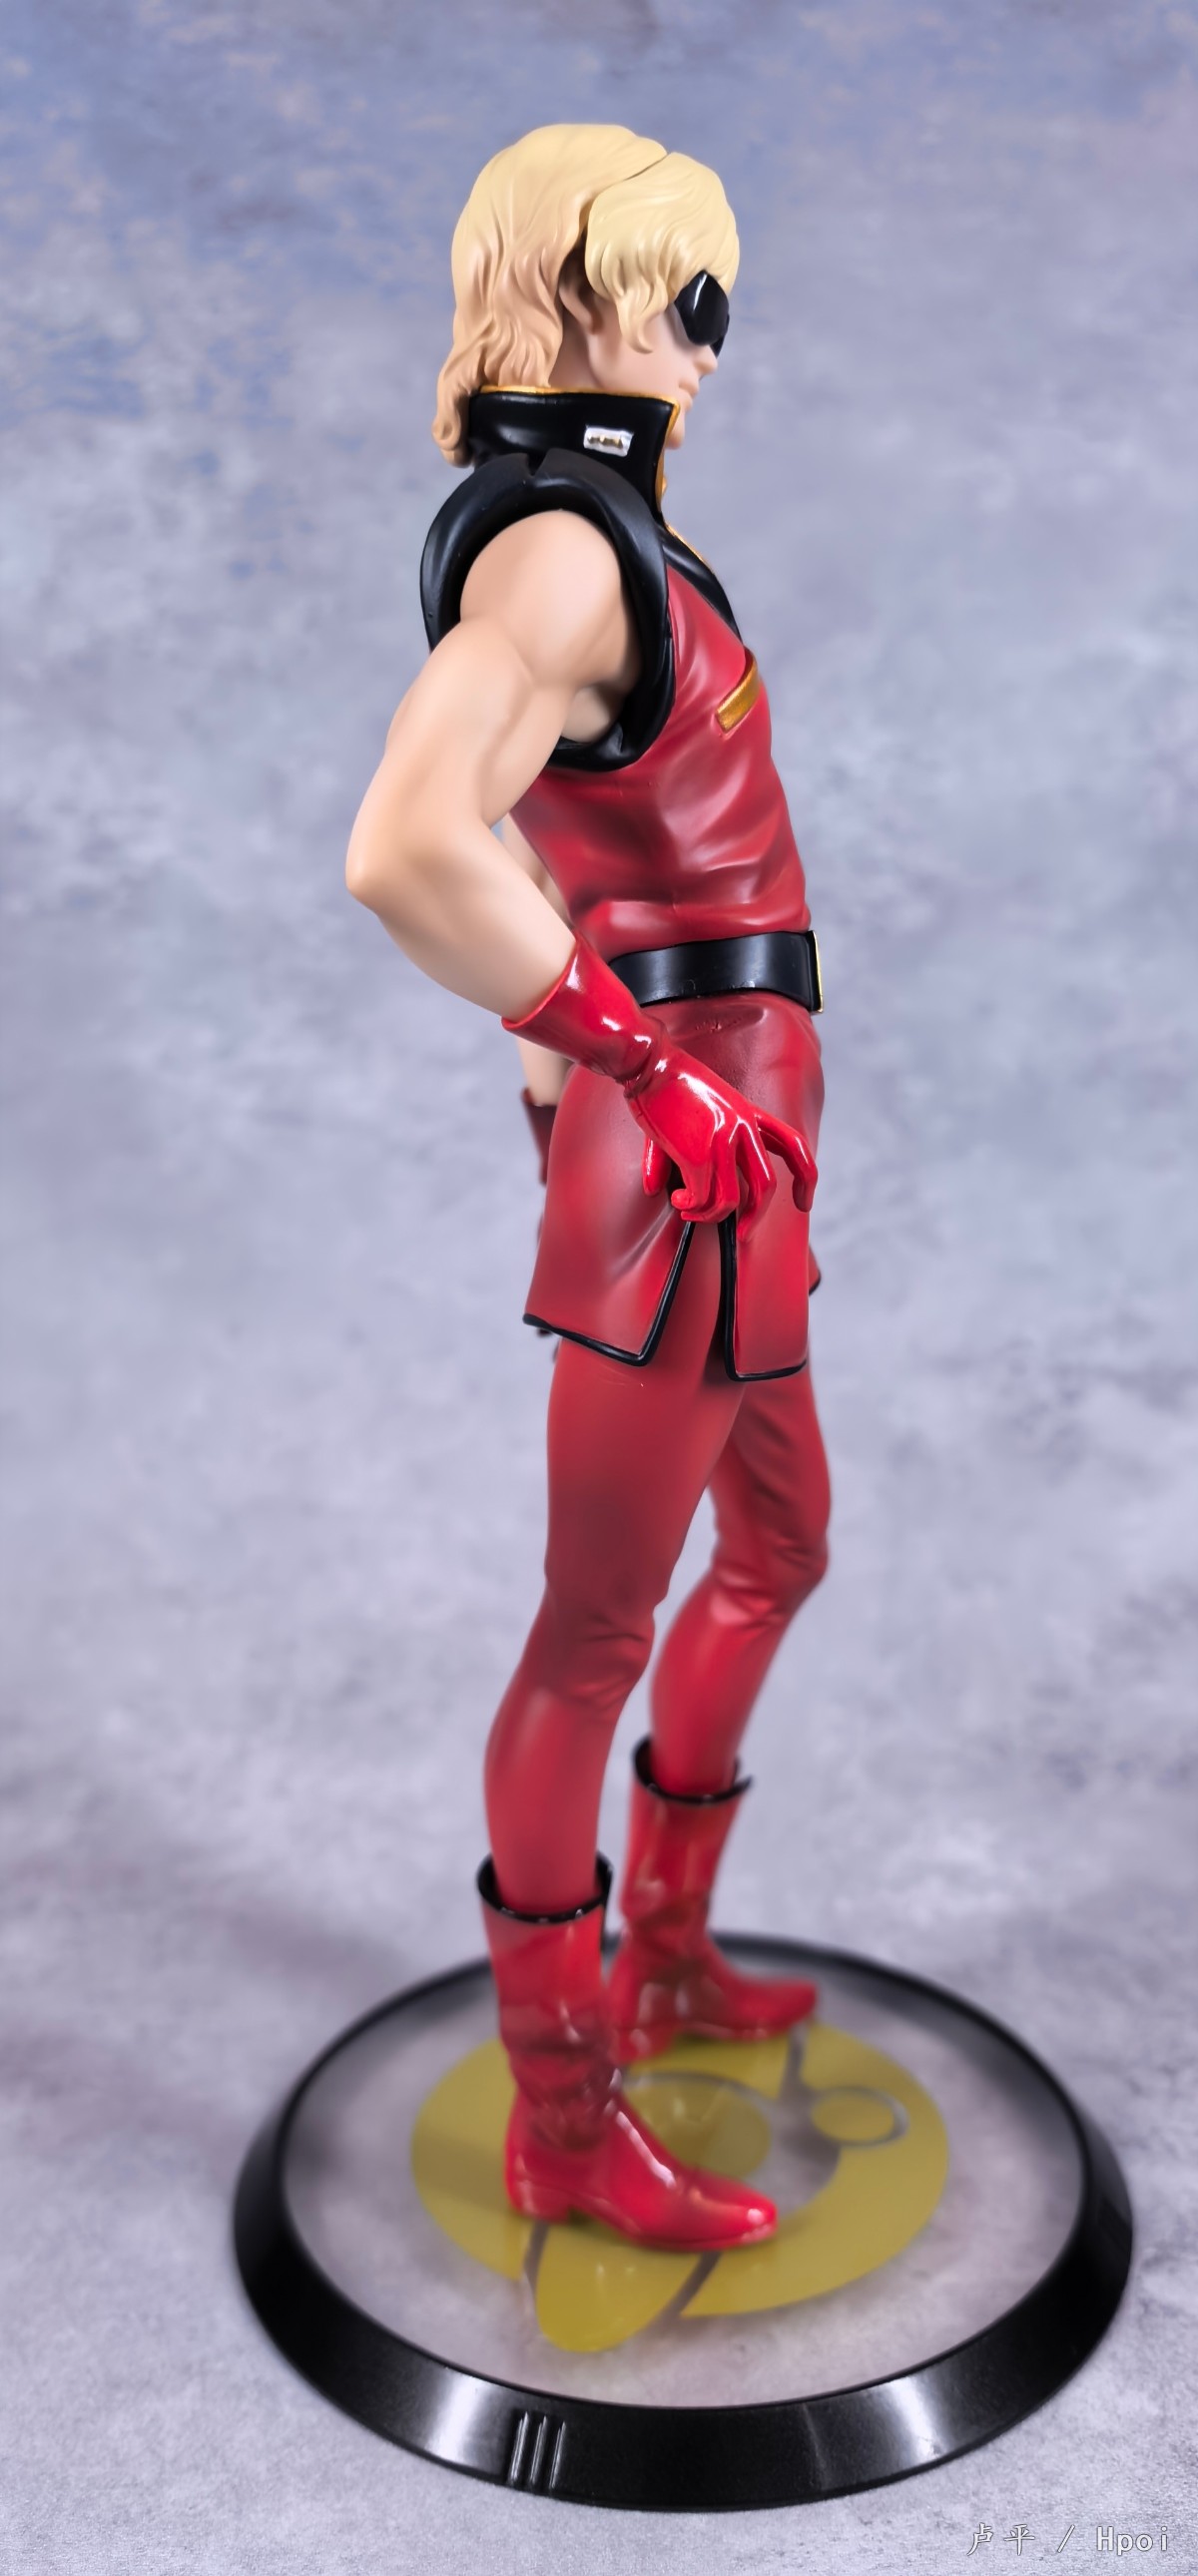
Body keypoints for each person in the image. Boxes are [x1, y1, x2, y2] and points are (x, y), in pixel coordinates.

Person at [347, 124, 832, 2254]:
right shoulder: (557, 558)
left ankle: (670, 1951)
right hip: (691, 1159)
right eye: (686, 297)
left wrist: (574, 1063)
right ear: (578, 289)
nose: (711, 343)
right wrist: (632, 1068)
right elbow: (408, 843)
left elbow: (555, 852)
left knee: (783, 1543)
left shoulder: (609, 536)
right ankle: (562, 2114)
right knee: (593, 1632)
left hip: (735, 1149)